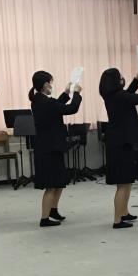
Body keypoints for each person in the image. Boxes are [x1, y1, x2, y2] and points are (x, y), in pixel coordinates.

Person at [99, 67, 138, 229]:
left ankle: (124, 212)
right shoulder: (119, 97)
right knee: (123, 184)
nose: (122, 78)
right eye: (120, 77)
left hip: (120, 141)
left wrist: (136, 79)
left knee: (126, 181)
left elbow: (128, 94)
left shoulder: (113, 96)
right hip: (121, 143)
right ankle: (118, 220)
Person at [29, 71, 83, 227]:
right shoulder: (45, 102)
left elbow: (56, 107)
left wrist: (66, 93)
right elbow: (71, 109)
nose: (52, 85)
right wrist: (76, 94)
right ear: (46, 84)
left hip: (51, 146)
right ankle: (44, 218)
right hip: (49, 148)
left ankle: (53, 210)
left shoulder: (39, 100)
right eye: (51, 83)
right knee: (51, 185)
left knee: (59, 182)